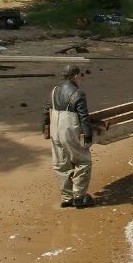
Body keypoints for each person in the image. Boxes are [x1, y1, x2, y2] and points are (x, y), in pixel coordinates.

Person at [42, 65, 94, 209]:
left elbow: (47, 110)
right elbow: (84, 117)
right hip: (69, 128)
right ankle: (79, 196)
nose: (81, 79)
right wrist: (88, 136)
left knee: (60, 163)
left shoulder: (54, 90)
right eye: (80, 76)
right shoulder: (78, 93)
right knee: (83, 161)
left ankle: (67, 197)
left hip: (55, 128)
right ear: (75, 76)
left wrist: (45, 128)